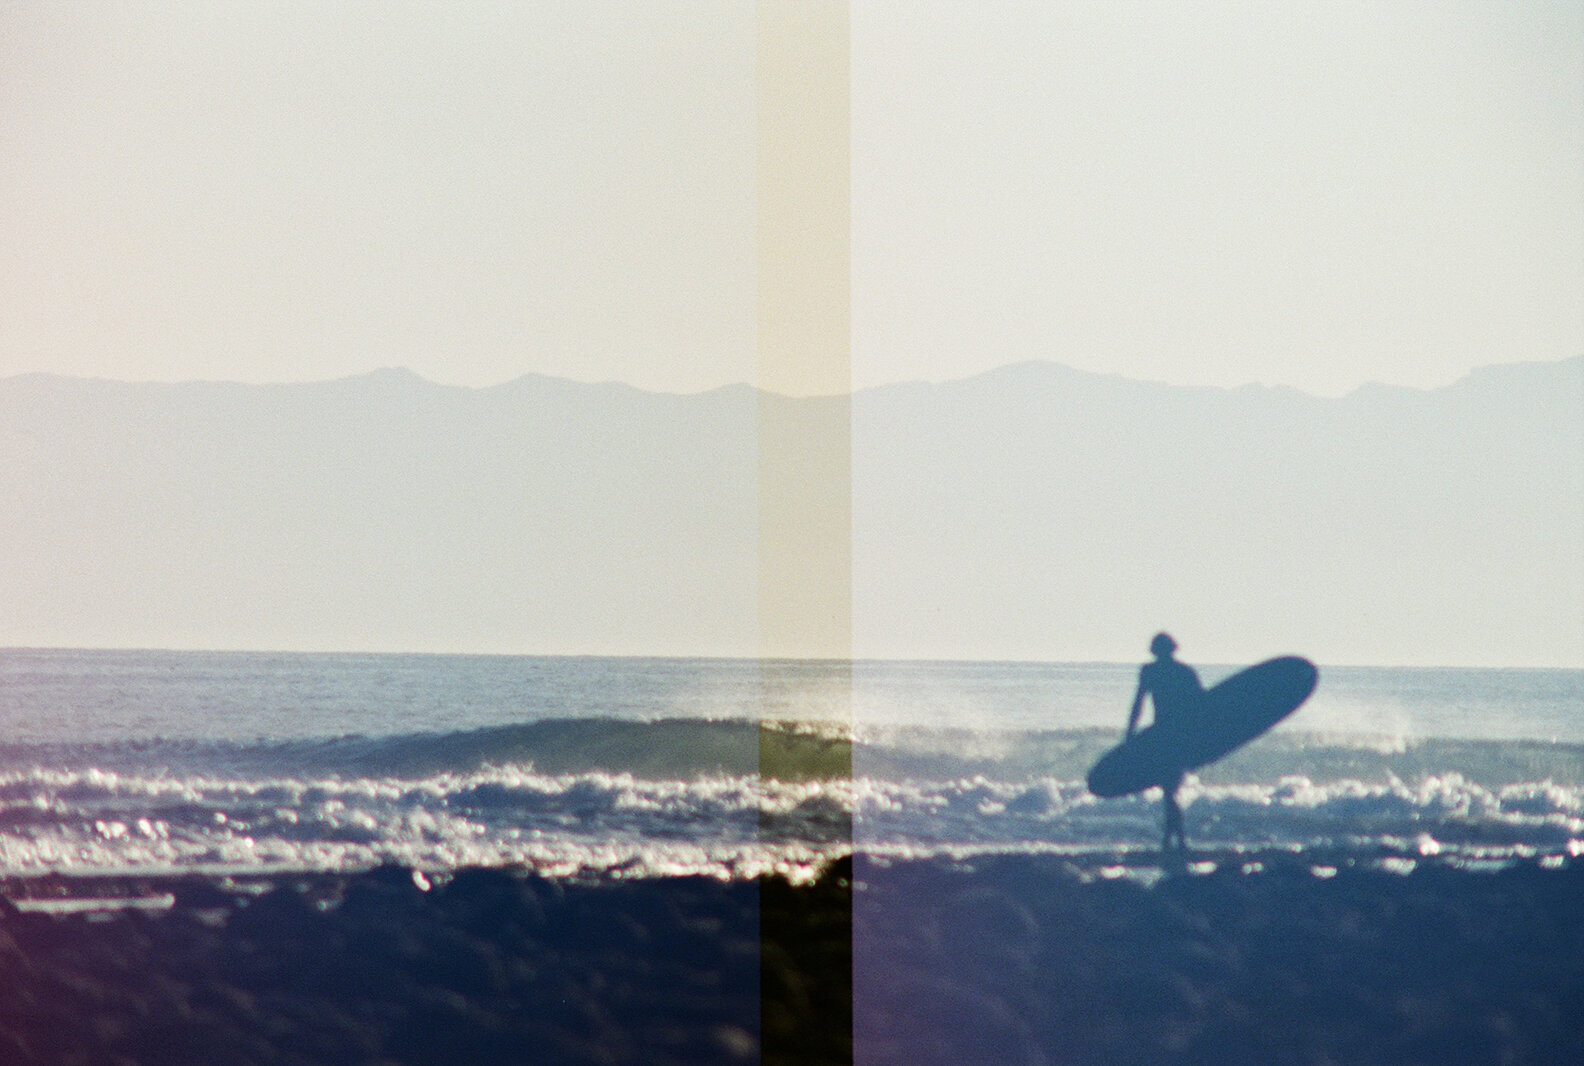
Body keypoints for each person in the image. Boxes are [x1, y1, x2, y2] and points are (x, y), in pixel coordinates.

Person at [1124, 632, 1204, 855]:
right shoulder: (1184, 672)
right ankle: (1175, 840)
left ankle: (1174, 840)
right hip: (1176, 736)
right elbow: (1202, 707)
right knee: (1169, 791)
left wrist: (1129, 733)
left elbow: (1138, 704)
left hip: (1165, 736)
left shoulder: (1150, 671)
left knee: (1168, 791)